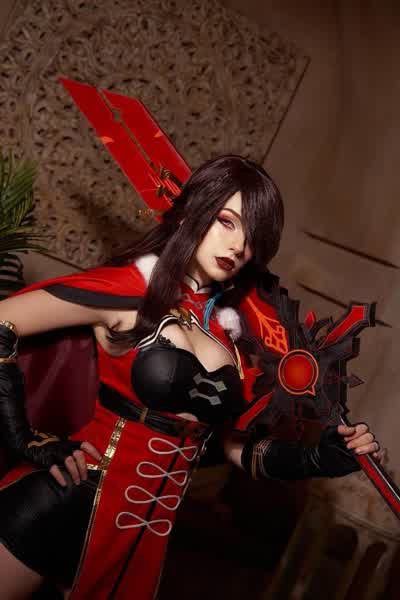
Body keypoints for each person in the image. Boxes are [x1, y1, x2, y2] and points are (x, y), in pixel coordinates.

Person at [0, 155, 381, 600]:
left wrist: (319, 459)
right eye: (226, 221)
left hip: (141, 535)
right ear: (190, 213)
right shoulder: (131, 291)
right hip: (61, 500)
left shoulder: (228, 336)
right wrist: (25, 439)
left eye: (253, 238)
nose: (238, 245)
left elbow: (237, 449)